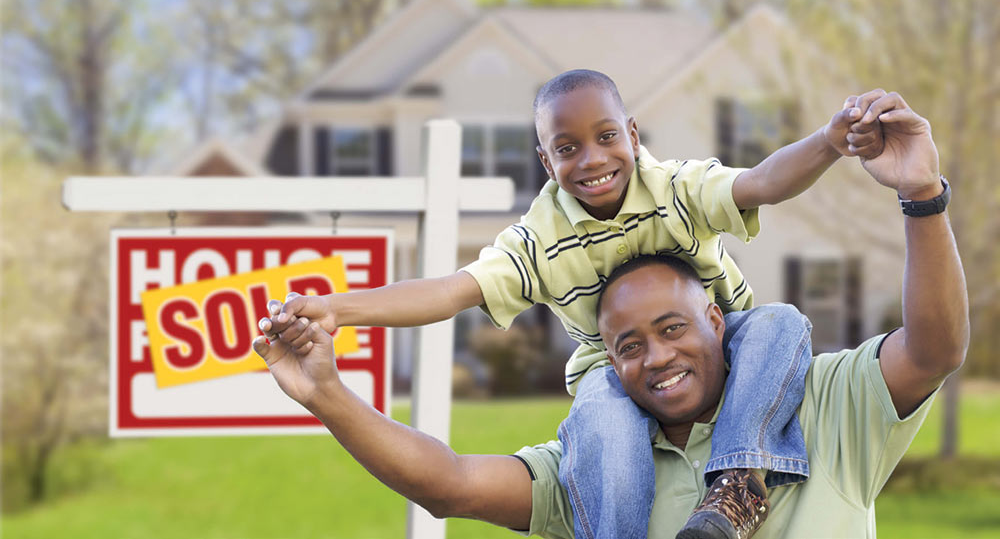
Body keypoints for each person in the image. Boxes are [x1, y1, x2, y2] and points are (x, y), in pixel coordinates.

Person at [254, 91, 967, 538]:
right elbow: (448, 477)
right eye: (630, 342)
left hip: (761, 356)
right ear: (544, 157)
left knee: (781, 319)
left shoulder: (824, 405)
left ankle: (740, 479)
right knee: (600, 409)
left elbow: (932, 348)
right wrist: (328, 367)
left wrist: (904, 185)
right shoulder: (600, 452)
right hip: (603, 409)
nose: (655, 355)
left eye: (672, 329)